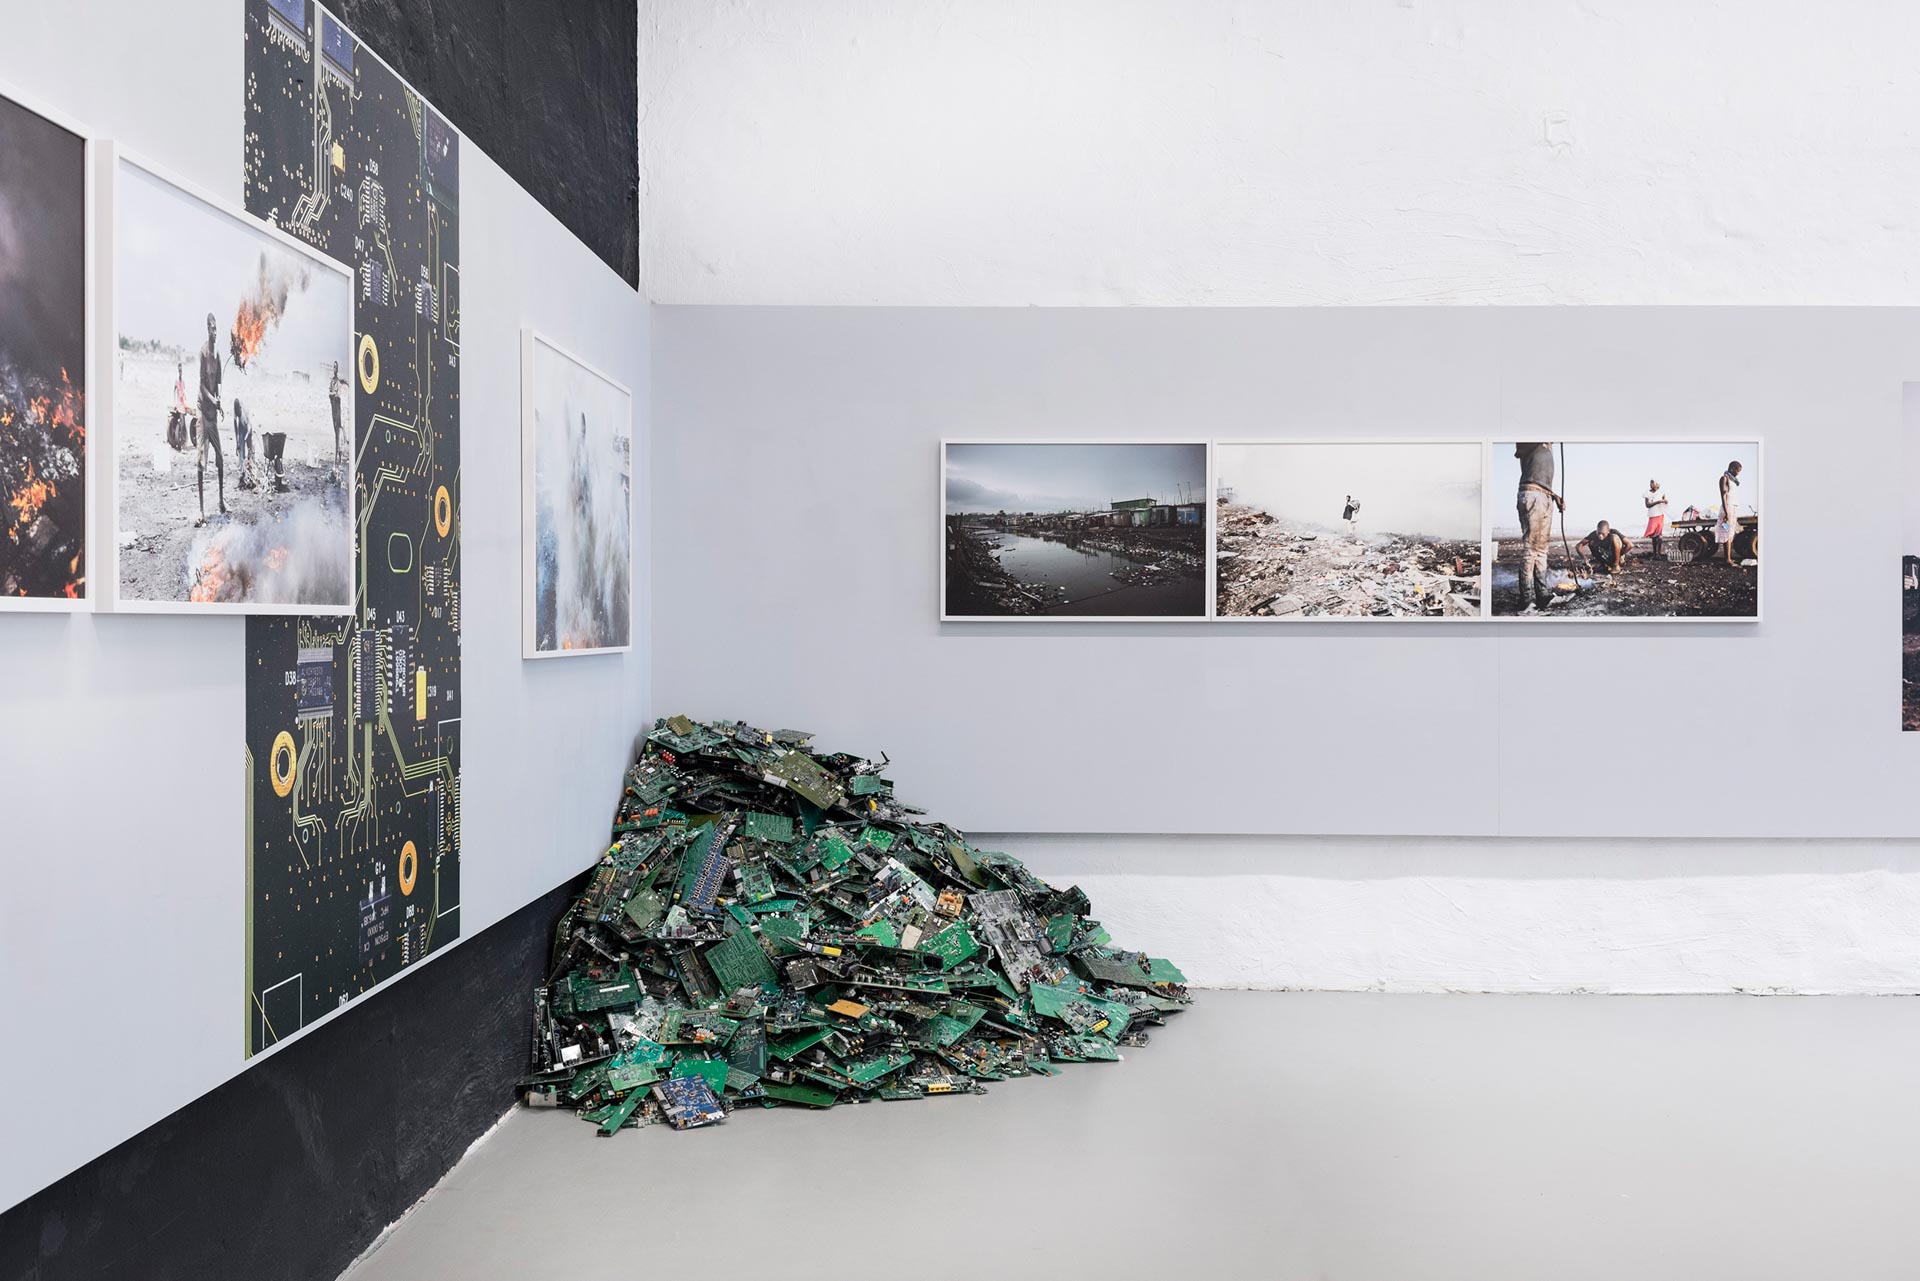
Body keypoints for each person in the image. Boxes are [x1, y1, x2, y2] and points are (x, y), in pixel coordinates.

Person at [1513, 442, 1563, 612]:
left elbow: (1539, 473)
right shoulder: (1532, 437)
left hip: (1545, 495)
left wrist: (1554, 495)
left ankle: (1542, 595)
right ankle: (1526, 600)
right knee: (1531, 549)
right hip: (1532, 493)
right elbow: (1520, 450)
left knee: (1542, 549)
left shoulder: (1548, 445)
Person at [196, 312, 226, 525]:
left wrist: (219, 398)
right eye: (212, 328)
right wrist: (212, 399)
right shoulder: (203, 352)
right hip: (202, 410)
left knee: (220, 458)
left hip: (213, 413)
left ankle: (221, 501)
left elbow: (220, 382)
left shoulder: (218, 355)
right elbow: (201, 384)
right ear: (207, 329)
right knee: (201, 459)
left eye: (216, 329)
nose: (215, 332)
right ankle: (201, 510)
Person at [1717, 460, 1744, 565]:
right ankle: (1727, 559)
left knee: (1731, 532)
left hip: (1733, 508)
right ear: (1732, 468)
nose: (1738, 473)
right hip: (1727, 508)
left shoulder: (1734, 481)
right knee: (1726, 532)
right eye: (1738, 471)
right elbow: (1723, 496)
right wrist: (1726, 512)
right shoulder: (1724, 478)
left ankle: (1728, 558)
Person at [232, 399, 255, 491]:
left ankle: (251, 473)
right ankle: (242, 474)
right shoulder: (235, 411)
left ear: (240, 408)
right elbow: (235, 425)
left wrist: (247, 437)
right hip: (241, 428)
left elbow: (249, 427)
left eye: (238, 411)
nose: (237, 413)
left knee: (250, 451)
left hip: (248, 429)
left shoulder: (245, 411)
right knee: (241, 452)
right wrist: (237, 442)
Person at [1643, 478, 1668, 558]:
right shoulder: (1647, 493)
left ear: (1657, 485)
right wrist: (1658, 501)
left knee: (1659, 535)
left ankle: (1658, 554)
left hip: (1660, 515)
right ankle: (1655, 553)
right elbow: (1647, 505)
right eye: (1651, 483)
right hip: (1652, 515)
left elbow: (1666, 502)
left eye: (1653, 483)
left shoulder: (1661, 493)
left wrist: (1665, 501)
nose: (1651, 485)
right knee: (1654, 535)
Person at [328, 359, 344, 470]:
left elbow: (337, 394)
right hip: (333, 407)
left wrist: (332, 394)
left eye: (336, 367)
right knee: (335, 431)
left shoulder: (338, 381)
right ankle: (337, 457)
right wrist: (332, 394)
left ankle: (338, 457)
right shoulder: (332, 381)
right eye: (333, 367)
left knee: (338, 431)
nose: (334, 369)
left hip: (337, 407)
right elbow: (330, 393)